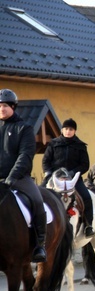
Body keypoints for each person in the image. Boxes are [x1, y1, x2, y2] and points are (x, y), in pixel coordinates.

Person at [0, 89, 47, 262]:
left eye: (4, 105)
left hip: (19, 179)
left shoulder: (24, 128)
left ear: (13, 106)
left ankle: (40, 244)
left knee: (37, 202)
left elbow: (25, 156)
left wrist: (11, 178)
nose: (1, 109)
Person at [42, 118, 95, 238]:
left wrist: (72, 173)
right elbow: (46, 161)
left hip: (73, 179)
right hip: (54, 177)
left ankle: (88, 225)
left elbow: (84, 165)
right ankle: (38, 225)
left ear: (74, 131)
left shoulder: (81, 146)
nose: (68, 131)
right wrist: (48, 173)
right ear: (62, 130)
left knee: (86, 197)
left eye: (71, 129)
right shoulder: (53, 143)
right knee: (38, 194)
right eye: (66, 129)